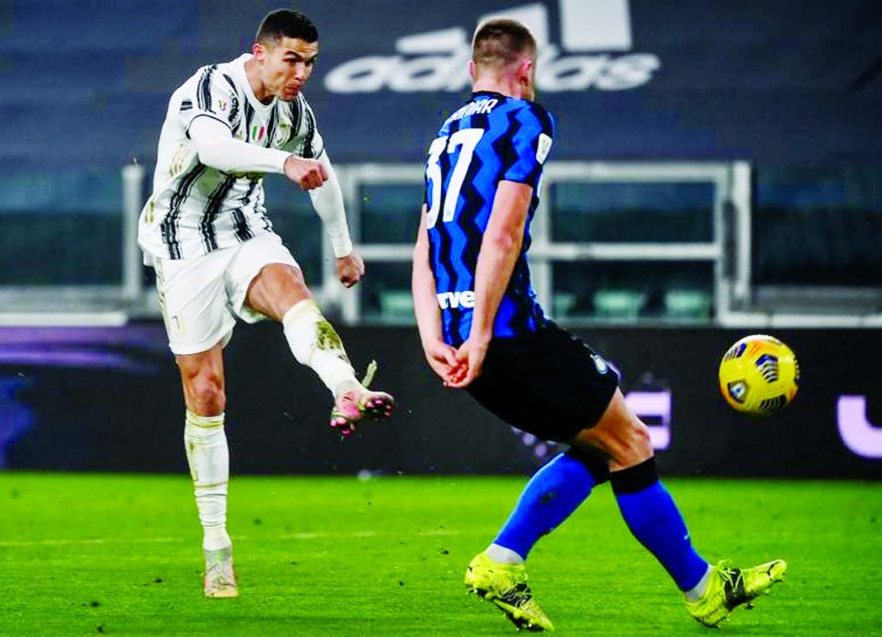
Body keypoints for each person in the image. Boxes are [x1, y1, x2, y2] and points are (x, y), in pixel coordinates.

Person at [411, 18, 785, 632]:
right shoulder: (527, 121)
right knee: (631, 443)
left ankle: (504, 560)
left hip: (457, 337)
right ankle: (703, 592)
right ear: (526, 71)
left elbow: (424, 247)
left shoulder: (445, 135)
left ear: (470, 69)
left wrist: (435, 336)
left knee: (600, 442)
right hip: (505, 334)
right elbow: (502, 233)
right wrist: (481, 335)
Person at [138, 9, 394, 599]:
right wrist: (284, 163)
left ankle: (345, 388)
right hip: (181, 245)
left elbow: (322, 174)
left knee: (293, 294)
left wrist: (343, 249)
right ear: (259, 52)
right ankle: (217, 548)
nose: (302, 72)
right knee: (206, 393)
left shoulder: (294, 113)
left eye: (310, 62)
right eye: (292, 59)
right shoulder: (211, 87)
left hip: (245, 231)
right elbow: (215, 148)